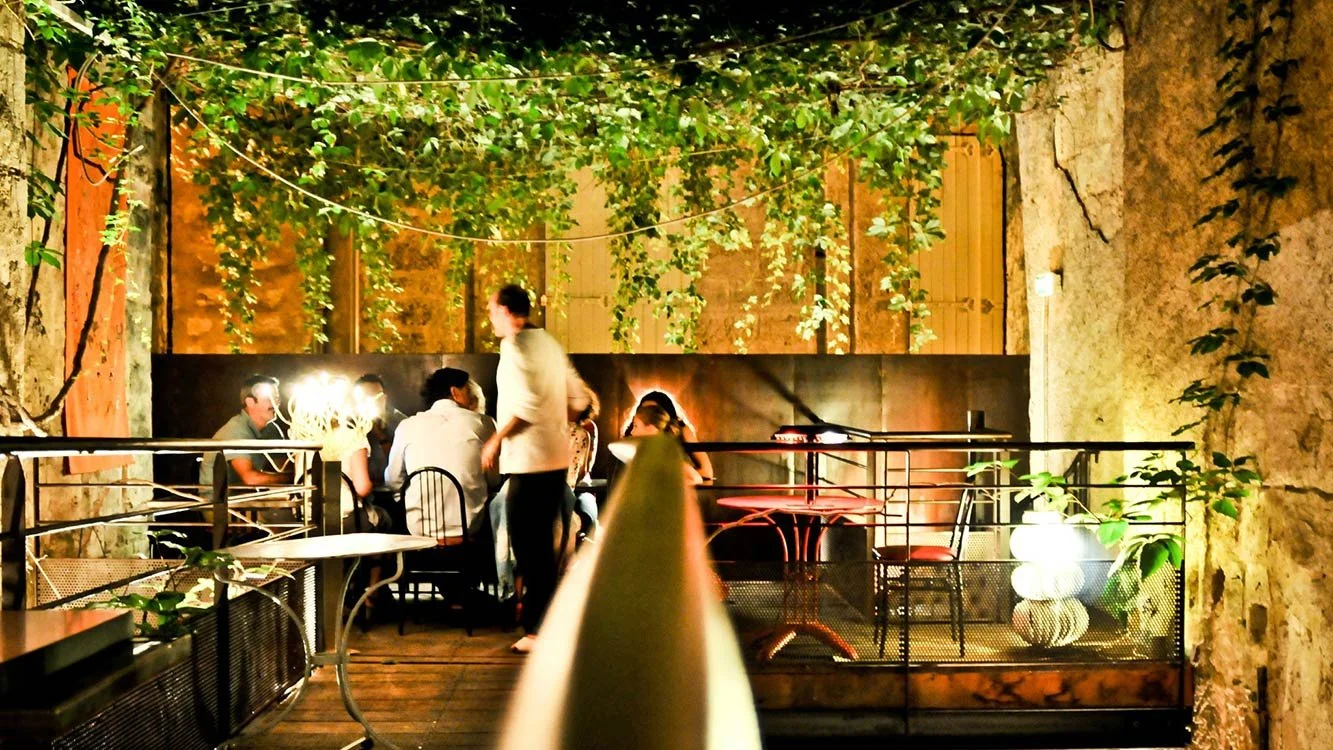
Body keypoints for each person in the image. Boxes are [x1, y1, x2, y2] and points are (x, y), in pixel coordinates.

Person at [482, 283, 589, 654]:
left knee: (529, 548)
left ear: (506, 311)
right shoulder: (548, 344)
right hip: (556, 459)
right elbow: (579, 397)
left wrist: (496, 440)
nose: (490, 318)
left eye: (492, 310)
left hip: (528, 461)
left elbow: (527, 404)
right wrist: (556, 423)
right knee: (543, 547)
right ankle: (546, 626)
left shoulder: (514, 346)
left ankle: (538, 631)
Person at [386, 367, 498, 540]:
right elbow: (494, 479)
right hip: (471, 529)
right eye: (468, 391)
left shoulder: (406, 426)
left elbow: (393, 480)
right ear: (455, 392)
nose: (471, 398)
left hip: (419, 531)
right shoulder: (484, 423)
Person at [199, 374, 290, 494]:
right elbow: (251, 479)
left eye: (277, 398)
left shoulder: (271, 429)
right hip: (217, 502)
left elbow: (285, 466)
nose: (276, 404)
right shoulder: (235, 431)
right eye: (269, 399)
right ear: (250, 402)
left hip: (244, 498)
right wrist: (293, 478)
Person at [628, 390, 714, 482]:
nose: (648, 415)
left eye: (654, 411)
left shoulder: (681, 432)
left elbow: (707, 472)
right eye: (643, 411)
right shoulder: (633, 437)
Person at [353, 373, 408, 488]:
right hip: (359, 487)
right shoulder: (349, 425)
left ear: (384, 398)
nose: (371, 403)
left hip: (393, 489)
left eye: (376, 398)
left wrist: (380, 434)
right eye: (365, 398)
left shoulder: (401, 423)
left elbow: (402, 464)